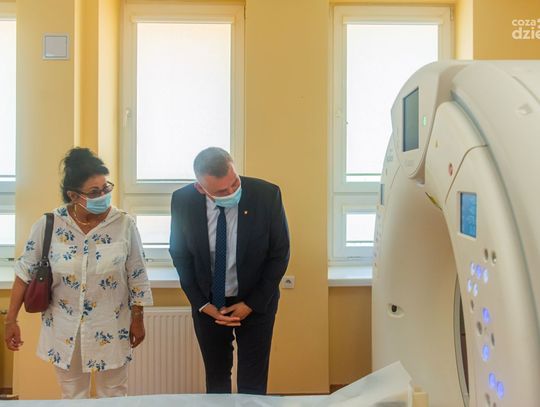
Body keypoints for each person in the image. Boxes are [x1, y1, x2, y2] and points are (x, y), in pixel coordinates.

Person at [4, 147, 153, 399]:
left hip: (111, 325)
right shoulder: (49, 224)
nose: (103, 195)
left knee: (114, 394)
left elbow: (137, 275)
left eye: (106, 188)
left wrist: (138, 318)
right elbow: (23, 274)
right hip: (64, 327)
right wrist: (11, 321)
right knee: (72, 395)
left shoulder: (124, 224)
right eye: (94, 192)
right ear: (73, 195)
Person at [169, 147, 290, 395]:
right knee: (217, 379)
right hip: (209, 304)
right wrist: (202, 304)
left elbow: (279, 254)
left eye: (234, 183)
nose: (232, 192)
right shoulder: (183, 200)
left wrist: (252, 304)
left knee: (253, 382)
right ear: (201, 188)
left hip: (256, 302)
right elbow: (180, 255)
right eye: (222, 191)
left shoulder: (266, 195)